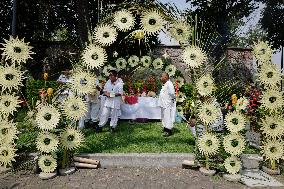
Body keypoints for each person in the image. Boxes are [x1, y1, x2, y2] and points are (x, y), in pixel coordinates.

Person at [158, 72, 176, 137]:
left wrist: (170, 102)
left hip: (167, 104)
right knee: (164, 117)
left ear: (165, 77)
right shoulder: (165, 84)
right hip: (163, 104)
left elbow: (172, 94)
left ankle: (168, 130)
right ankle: (165, 128)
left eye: (162, 76)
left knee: (168, 117)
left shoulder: (169, 84)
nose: (160, 78)